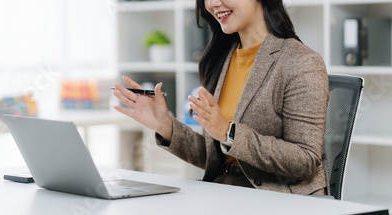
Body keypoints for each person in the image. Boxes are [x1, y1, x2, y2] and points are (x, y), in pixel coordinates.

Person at [112, 0, 329, 195]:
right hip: (224, 189)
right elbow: (214, 158)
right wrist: (165, 126)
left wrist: (229, 133)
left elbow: (305, 160)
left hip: (278, 199)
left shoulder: (301, 62)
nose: (213, 3)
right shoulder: (223, 58)